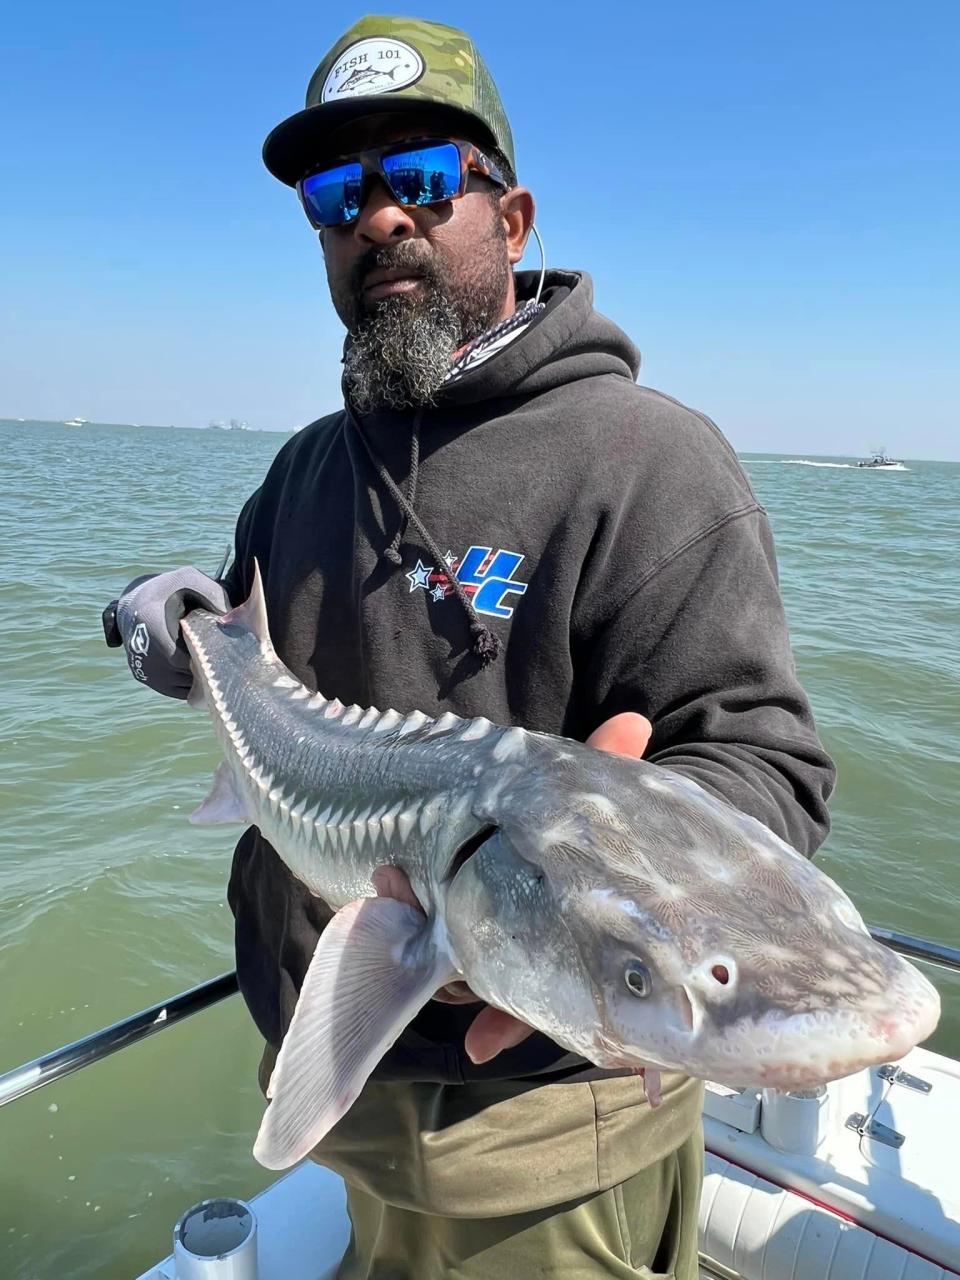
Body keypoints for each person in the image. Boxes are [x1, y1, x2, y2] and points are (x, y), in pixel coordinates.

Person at [105, 15, 835, 1279]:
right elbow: (241, 629)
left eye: (425, 179)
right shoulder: (303, 469)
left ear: (512, 214)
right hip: (337, 1062)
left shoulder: (652, 462)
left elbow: (768, 761)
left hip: (545, 1121)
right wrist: (178, 618)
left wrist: (616, 829)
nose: (380, 217)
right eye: (339, 194)